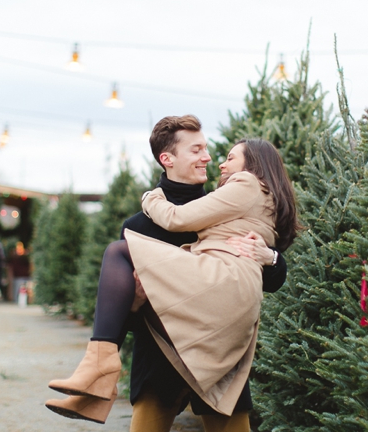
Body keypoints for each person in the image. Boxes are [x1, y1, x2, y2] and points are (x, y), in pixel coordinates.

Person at [45, 121, 298, 425]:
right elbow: (119, 305)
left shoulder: (223, 206)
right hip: (160, 359)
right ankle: (95, 378)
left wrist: (271, 257)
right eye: (197, 149)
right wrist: (137, 301)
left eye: (207, 148)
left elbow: (269, 280)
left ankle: (95, 374)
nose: (208, 157)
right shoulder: (139, 226)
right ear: (168, 159)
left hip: (217, 353)